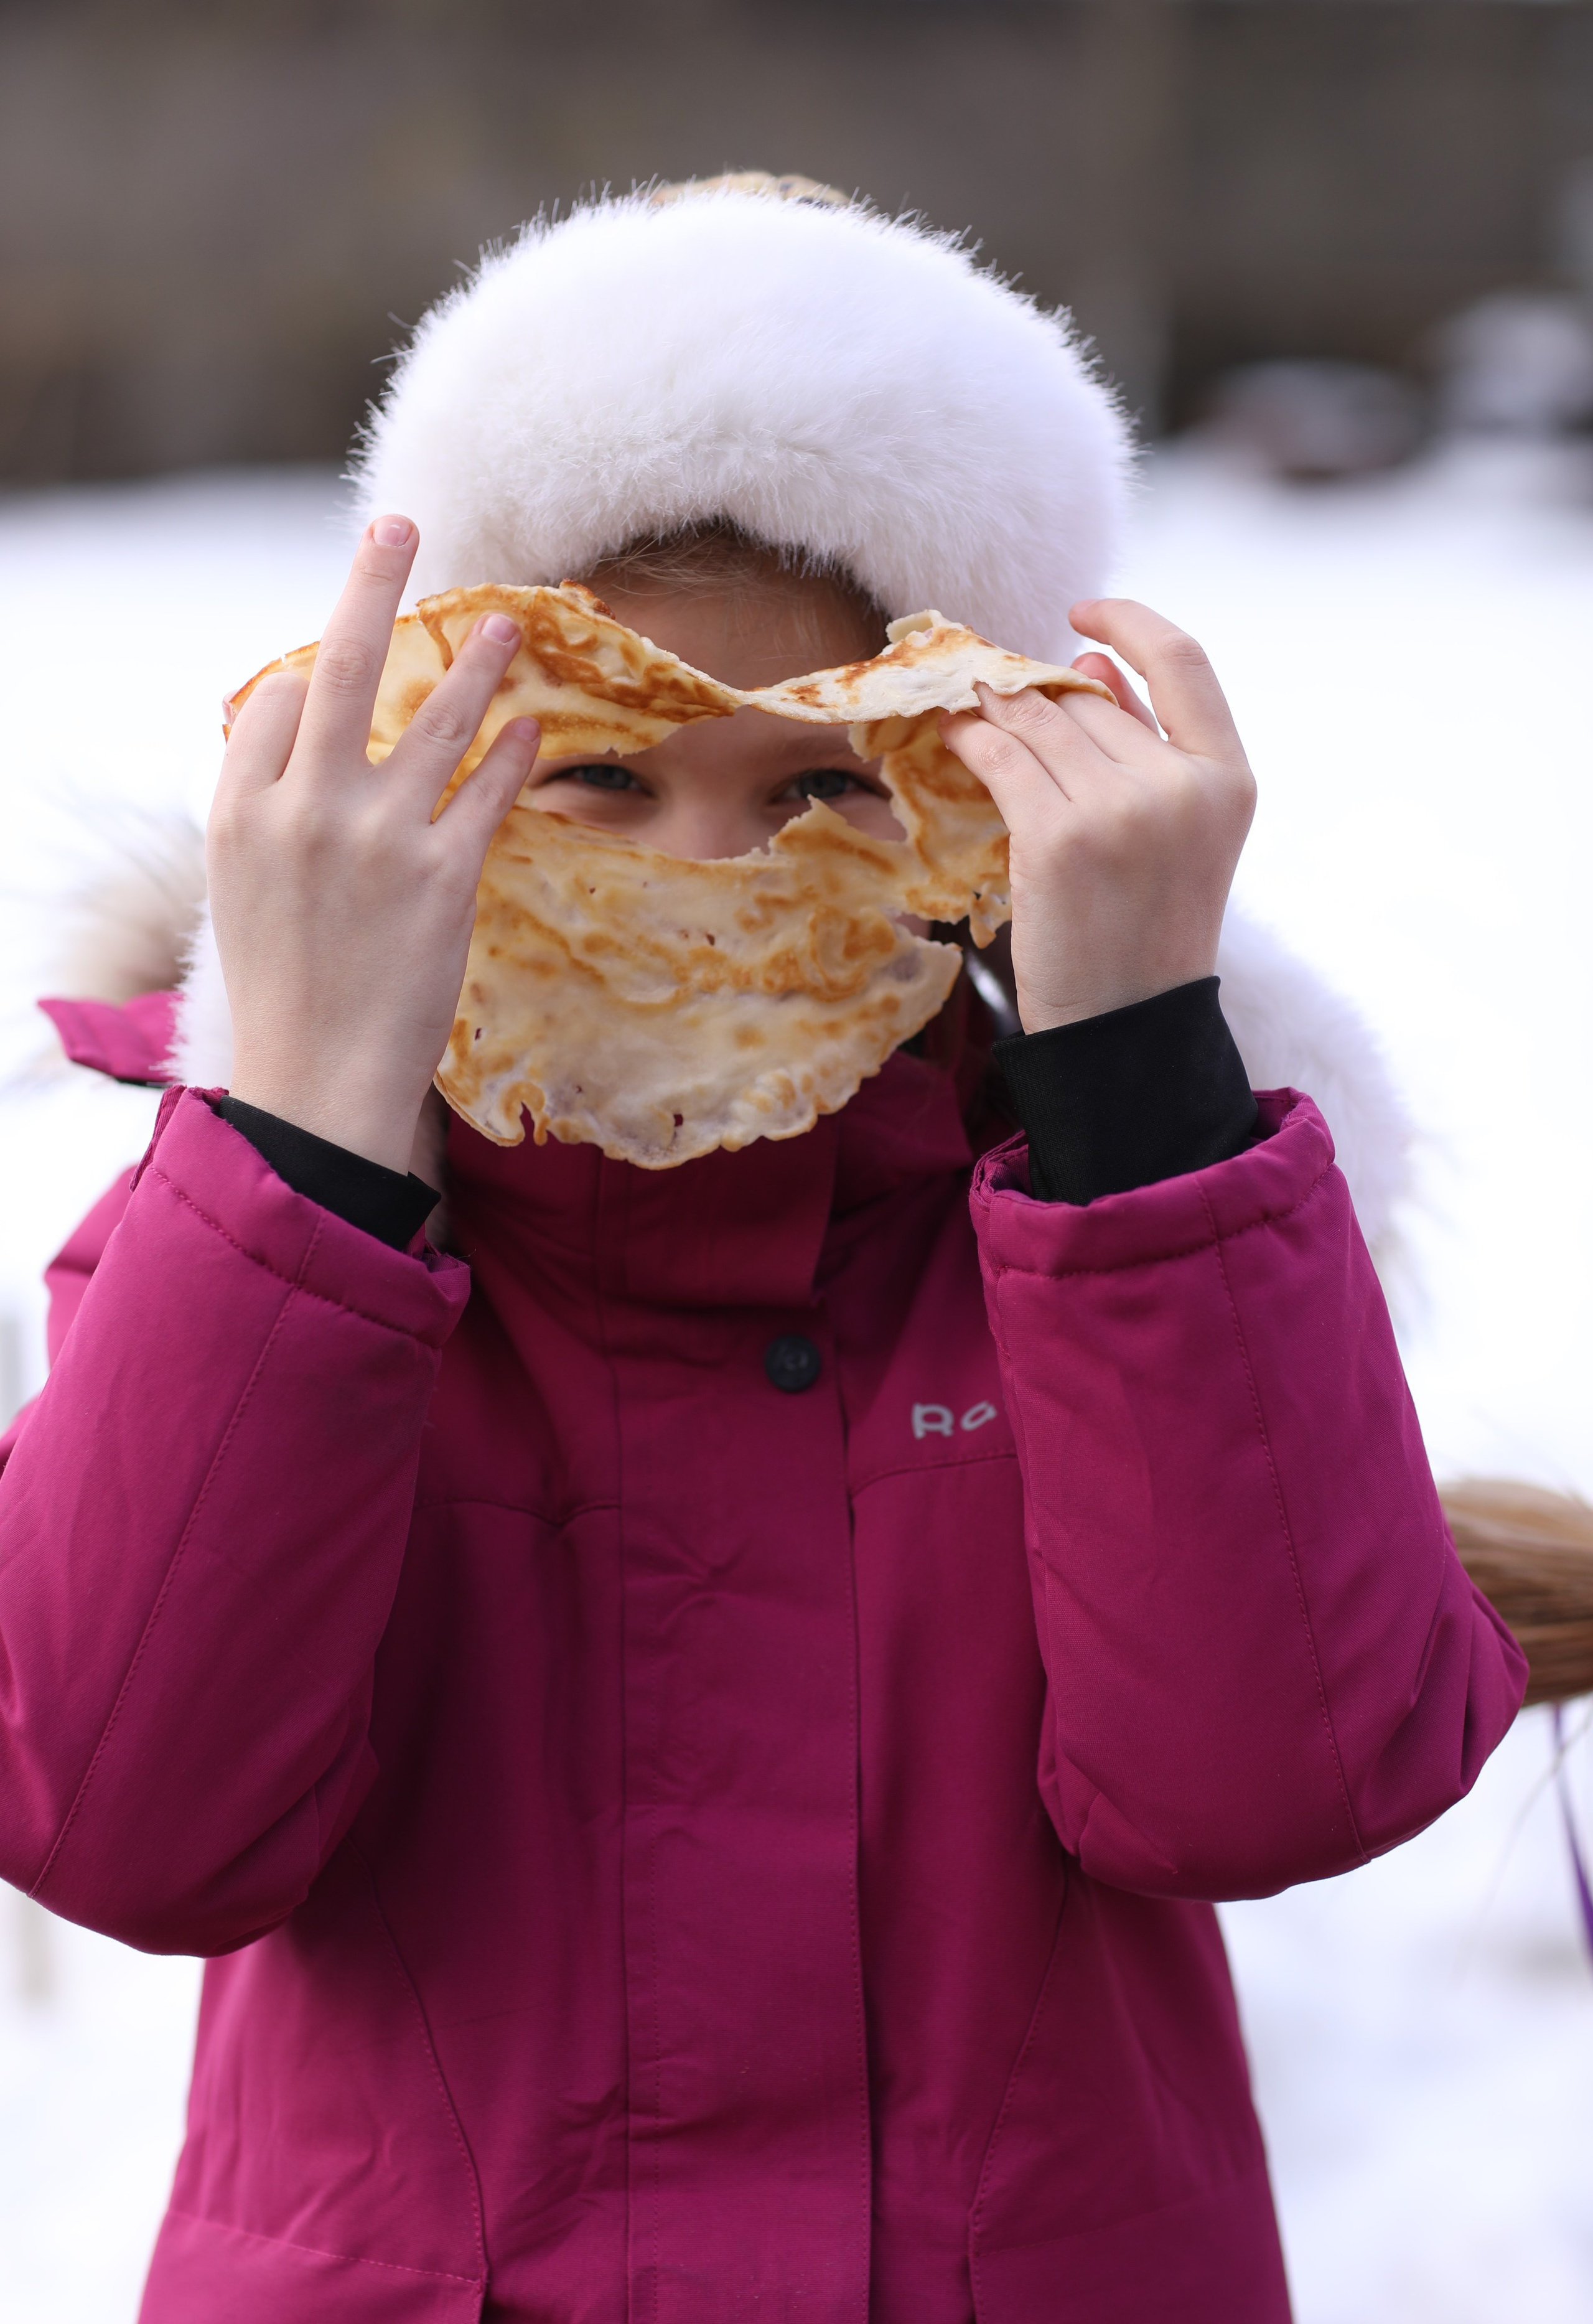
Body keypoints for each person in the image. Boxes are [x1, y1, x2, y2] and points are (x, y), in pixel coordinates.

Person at [0, 180, 1525, 2324]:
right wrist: (303, 1131)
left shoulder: (1125, 1223)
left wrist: (1147, 1100)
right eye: (602, 771)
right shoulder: (247, 1222)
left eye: (819, 791)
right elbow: (126, 1819)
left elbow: (1271, 1783)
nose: (708, 870)